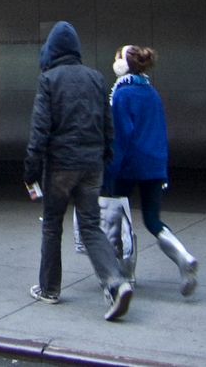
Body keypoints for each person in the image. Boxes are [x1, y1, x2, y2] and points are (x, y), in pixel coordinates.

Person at [24, 21, 133, 321]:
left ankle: (49, 289)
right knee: (90, 227)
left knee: (52, 225)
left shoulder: (48, 79)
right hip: (92, 164)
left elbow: (39, 130)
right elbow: (108, 125)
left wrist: (30, 171)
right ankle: (116, 282)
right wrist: (105, 156)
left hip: (60, 165)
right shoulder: (96, 78)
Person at [104, 45, 199, 296]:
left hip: (128, 166)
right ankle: (183, 257)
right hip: (154, 164)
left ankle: (127, 275)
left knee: (120, 220)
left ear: (123, 65)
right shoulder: (152, 93)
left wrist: (110, 169)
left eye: (116, 58)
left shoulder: (122, 94)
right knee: (153, 219)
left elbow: (121, 137)